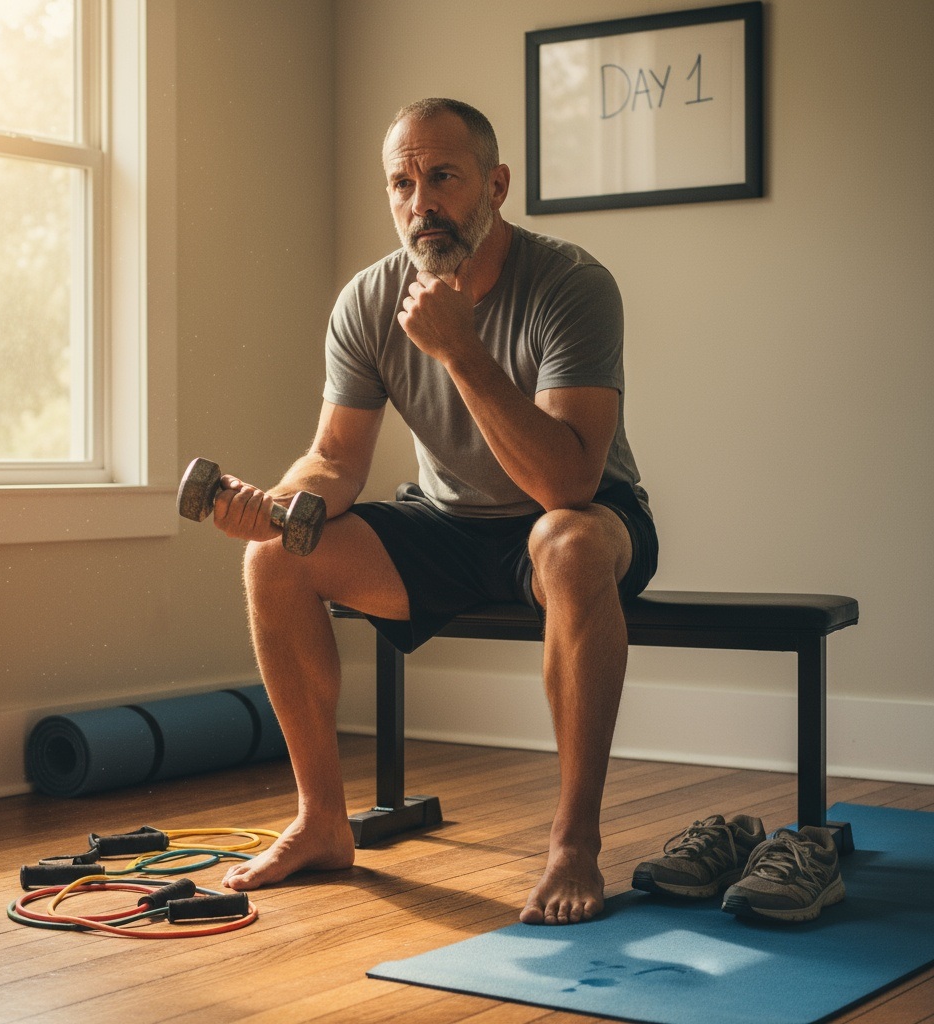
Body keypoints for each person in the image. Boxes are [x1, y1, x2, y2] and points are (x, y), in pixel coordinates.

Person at [213, 98, 657, 925]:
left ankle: (573, 843)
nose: (421, 203)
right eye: (401, 183)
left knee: (565, 543)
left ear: (495, 184)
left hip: (580, 515)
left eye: (442, 177)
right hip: (449, 521)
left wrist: (461, 349)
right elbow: (337, 460)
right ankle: (321, 820)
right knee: (272, 559)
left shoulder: (573, 284)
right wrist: (280, 507)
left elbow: (568, 480)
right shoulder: (368, 300)